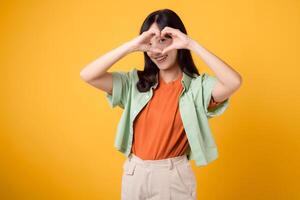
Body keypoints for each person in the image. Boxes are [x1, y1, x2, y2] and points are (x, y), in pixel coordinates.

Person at [80, 8, 242, 200]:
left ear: (178, 40)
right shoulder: (134, 84)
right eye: (149, 43)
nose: (156, 50)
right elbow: (88, 75)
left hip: (173, 177)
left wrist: (191, 44)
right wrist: (131, 46)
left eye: (163, 40)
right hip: (135, 174)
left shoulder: (197, 88)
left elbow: (234, 82)